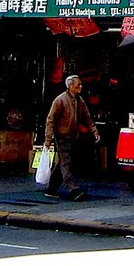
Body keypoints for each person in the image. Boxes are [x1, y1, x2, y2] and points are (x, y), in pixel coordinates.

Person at [43, 72, 97, 200]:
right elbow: (50, 120)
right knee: (66, 163)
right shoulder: (60, 100)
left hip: (73, 136)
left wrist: (94, 131)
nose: (80, 87)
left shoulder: (79, 100)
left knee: (64, 162)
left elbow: (87, 118)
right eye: (78, 85)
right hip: (62, 137)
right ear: (70, 86)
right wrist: (48, 139)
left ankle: (51, 189)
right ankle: (73, 188)